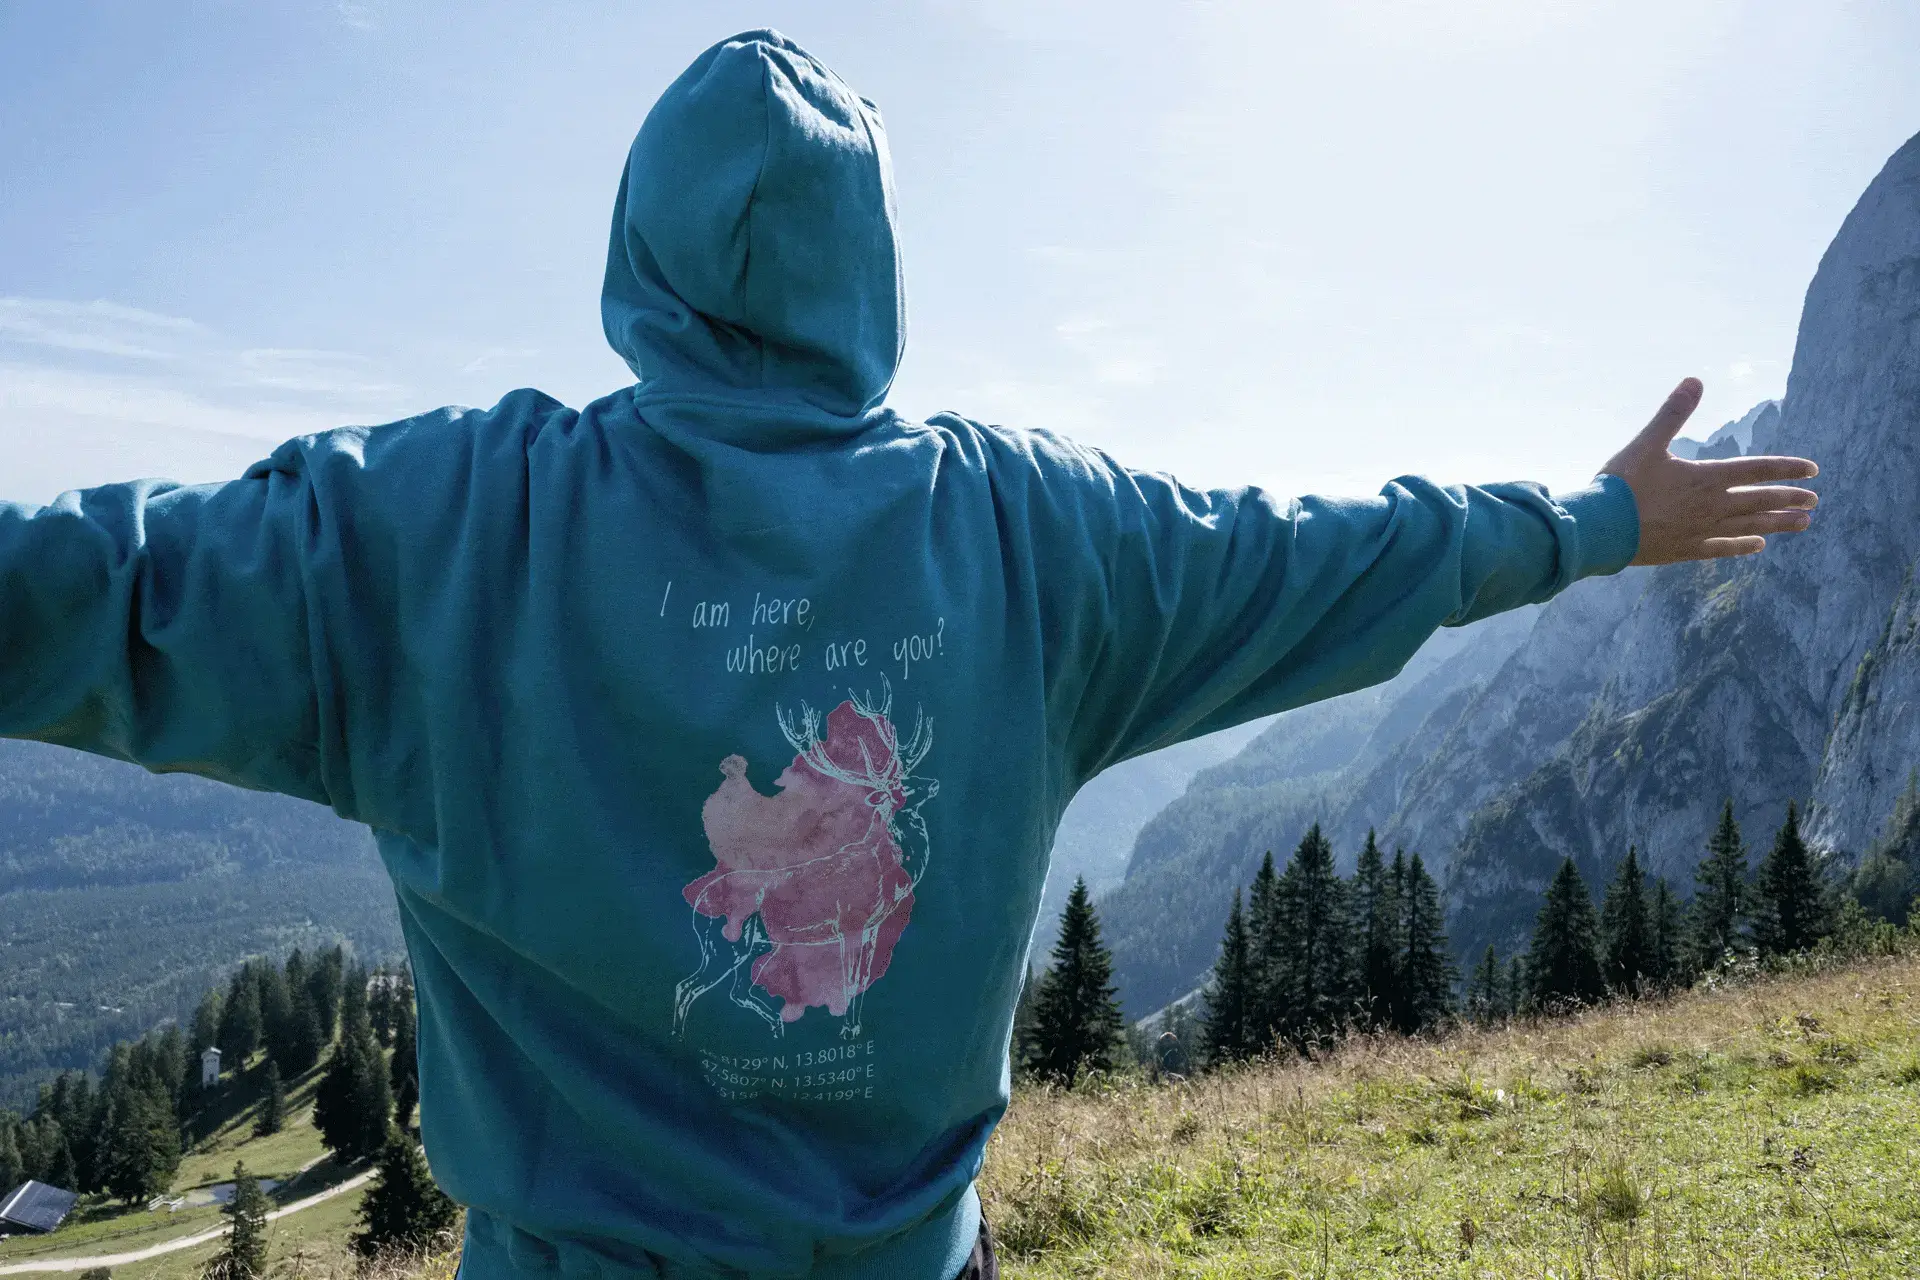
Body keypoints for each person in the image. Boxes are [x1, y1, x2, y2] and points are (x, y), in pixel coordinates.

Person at [0, 28, 1817, 1280]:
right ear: (870, 276)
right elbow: (1325, 557)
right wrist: (1589, 525)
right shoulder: (1036, 537)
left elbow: (91, 584)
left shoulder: (436, 534)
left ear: (637, 257)